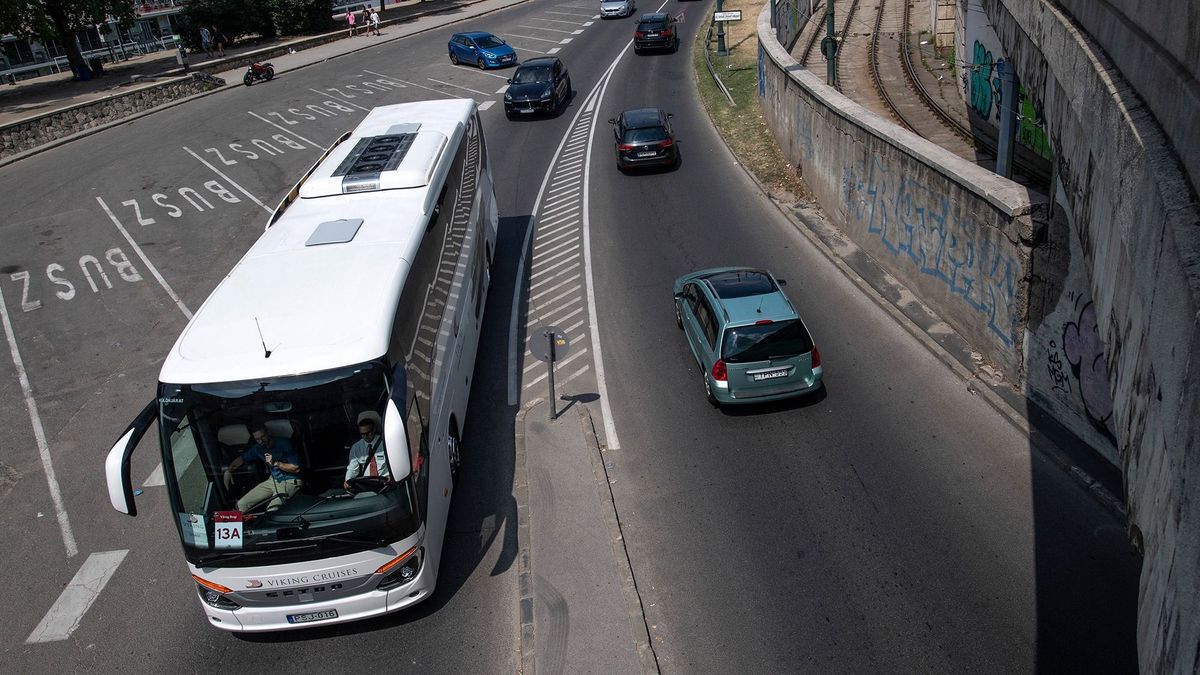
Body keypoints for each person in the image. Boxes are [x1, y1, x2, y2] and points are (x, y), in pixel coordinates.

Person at [224, 423, 302, 512]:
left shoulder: (284, 443)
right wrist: (229, 470)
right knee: (241, 504)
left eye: (262, 437)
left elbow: (296, 468)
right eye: (257, 439)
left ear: (268, 433)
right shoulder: (258, 448)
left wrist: (276, 463)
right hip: (273, 480)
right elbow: (242, 458)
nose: (261, 441)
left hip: (290, 481)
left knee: (272, 510)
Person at [344, 418, 390, 488]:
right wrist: (348, 481)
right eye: (362, 434)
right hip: (366, 484)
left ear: (374, 429)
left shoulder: (386, 443)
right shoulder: (356, 447)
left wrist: (392, 476)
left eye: (368, 433)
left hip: (386, 483)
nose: (365, 436)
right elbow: (352, 469)